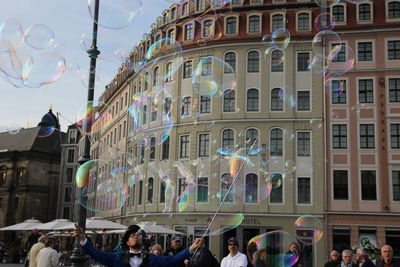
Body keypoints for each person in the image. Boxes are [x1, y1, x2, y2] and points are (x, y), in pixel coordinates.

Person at [75, 224, 205, 267]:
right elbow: (97, 254)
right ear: (127, 242)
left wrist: (191, 248)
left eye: (138, 234)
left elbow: (172, 260)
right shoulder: (117, 257)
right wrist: (83, 239)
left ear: (142, 241)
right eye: (132, 235)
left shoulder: (152, 258)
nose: (136, 236)